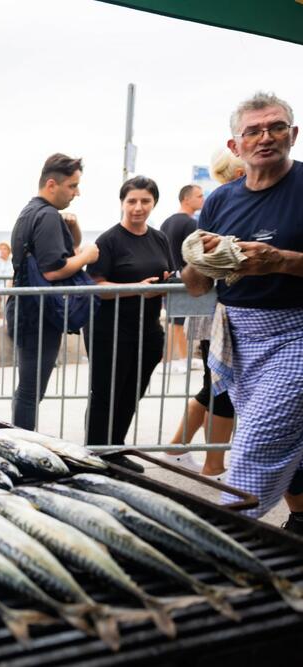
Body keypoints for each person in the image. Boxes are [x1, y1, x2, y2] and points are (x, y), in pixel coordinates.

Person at [181, 92, 303, 530]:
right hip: (237, 336)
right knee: (288, 438)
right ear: (236, 146)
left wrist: (282, 261)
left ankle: (229, 534)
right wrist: (198, 258)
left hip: (296, 334)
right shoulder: (220, 201)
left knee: (255, 442)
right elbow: (196, 286)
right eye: (252, 130)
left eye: (275, 127)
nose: (264, 137)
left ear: (293, 134)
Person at [164, 151, 246, 479]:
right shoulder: (227, 206)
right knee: (220, 387)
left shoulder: (215, 208)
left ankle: (176, 448)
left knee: (212, 385)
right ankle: (214, 464)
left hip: (206, 308)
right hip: (217, 310)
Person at [8, 154, 99, 431]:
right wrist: (87, 256)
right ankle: (22, 447)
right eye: (72, 186)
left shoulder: (31, 211)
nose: (77, 192)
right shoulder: (46, 216)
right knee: (30, 390)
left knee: (28, 389)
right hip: (38, 315)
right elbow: (53, 270)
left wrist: (73, 231)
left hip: (27, 311)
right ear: (51, 184)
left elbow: (56, 254)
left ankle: (21, 441)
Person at [85, 176, 173, 446]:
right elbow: (97, 286)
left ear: (154, 203)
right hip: (109, 331)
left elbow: (166, 275)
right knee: (105, 395)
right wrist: (136, 288)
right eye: (132, 201)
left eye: (145, 201)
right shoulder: (109, 240)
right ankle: (96, 455)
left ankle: (116, 449)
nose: (138, 207)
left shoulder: (159, 239)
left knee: (132, 394)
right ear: (122, 203)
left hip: (147, 331)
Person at [160, 185, 205, 371]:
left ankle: (177, 359)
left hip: (168, 276)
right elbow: (194, 254)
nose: (203, 199)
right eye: (199, 196)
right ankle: (173, 361)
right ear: (186, 199)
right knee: (178, 322)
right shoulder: (190, 224)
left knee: (174, 320)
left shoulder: (166, 222)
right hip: (183, 277)